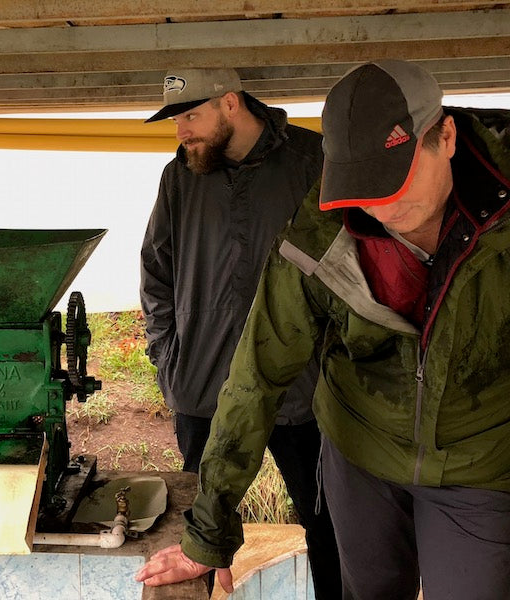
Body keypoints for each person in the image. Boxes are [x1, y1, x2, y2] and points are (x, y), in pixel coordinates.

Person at [136, 59, 510, 599]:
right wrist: (207, 532)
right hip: (359, 449)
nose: (379, 206)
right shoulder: (319, 230)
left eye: (394, 180)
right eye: (362, 187)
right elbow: (255, 375)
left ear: (445, 136)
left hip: (481, 464)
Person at [139, 68, 341, 597]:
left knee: (329, 527)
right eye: (176, 120)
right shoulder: (179, 176)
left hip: (300, 391)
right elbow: (155, 272)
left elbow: (349, 266)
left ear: (230, 103)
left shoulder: (313, 161)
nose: (181, 131)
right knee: (200, 538)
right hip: (203, 389)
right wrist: (169, 357)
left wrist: (330, 363)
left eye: (190, 115)